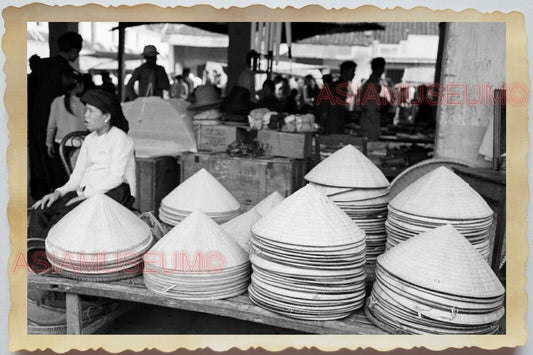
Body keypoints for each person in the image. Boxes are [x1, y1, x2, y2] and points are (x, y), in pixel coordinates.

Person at [30, 89, 135, 240]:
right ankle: (35, 253)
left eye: (91, 111)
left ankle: (46, 256)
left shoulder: (120, 139)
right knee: (40, 209)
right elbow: (77, 176)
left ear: (106, 117)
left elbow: (115, 178)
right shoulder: (89, 140)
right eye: (86, 110)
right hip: (88, 192)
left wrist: (83, 197)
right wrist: (58, 193)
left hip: (112, 194)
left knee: (61, 219)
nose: (85, 115)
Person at [28, 31, 83, 200]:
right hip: (58, 129)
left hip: (36, 122)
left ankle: (39, 199)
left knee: (38, 160)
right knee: (58, 165)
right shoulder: (68, 73)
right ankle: (57, 199)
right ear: (73, 51)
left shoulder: (40, 67)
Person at [45, 72, 95, 188]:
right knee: (80, 178)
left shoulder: (57, 101)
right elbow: (90, 126)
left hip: (61, 146)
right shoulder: (86, 102)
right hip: (82, 146)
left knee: (62, 178)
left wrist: (48, 143)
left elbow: (51, 125)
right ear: (78, 84)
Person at [318, 61, 357, 134]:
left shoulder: (344, 86)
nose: (354, 74)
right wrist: (322, 125)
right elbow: (325, 106)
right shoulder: (335, 86)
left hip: (338, 124)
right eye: (352, 71)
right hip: (332, 124)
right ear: (345, 71)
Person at [359, 57, 388, 141]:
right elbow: (371, 107)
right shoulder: (371, 84)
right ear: (380, 68)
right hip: (370, 123)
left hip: (370, 121)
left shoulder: (372, 82)